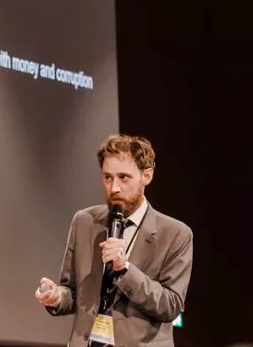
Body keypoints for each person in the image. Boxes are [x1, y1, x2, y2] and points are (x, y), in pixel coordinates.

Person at [35, 134, 193, 347]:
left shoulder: (175, 234)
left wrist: (125, 269)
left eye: (123, 177)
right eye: (107, 177)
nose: (114, 188)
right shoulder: (85, 221)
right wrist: (57, 297)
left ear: (146, 176)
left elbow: (171, 305)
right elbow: (73, 291)